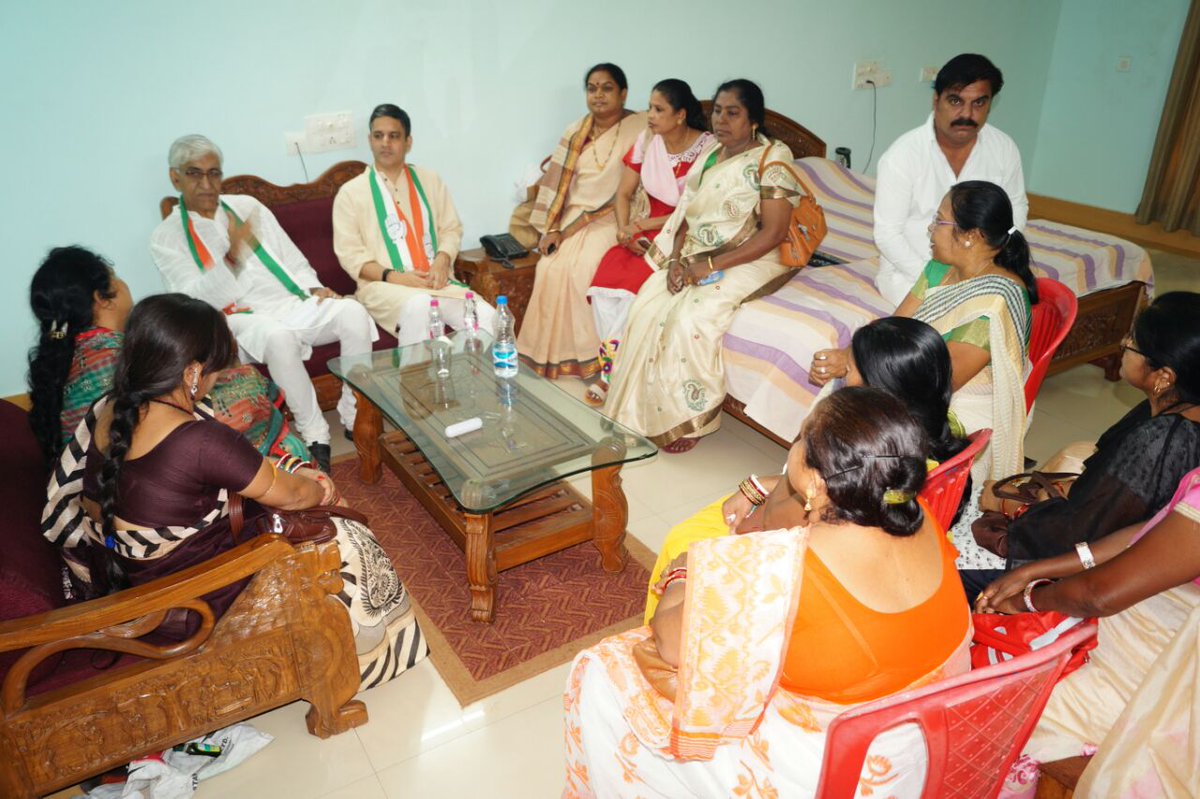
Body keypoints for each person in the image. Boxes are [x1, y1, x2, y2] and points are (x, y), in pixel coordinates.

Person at [563, 388, 971, 797]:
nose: (792, 448)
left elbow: (670, 641)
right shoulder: (922, 520)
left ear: (813, 479)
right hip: (924, 743)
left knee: (602, 669)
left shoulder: (782, 566)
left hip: (836, 768)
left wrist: (684, 572)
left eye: (799, 439)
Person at [42, 294, 427, 690]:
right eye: (216, 368)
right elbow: (292, 496)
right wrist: (321, 488)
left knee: (292, 496)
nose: (217, 378)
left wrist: (290, 477)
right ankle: (359, 662)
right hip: (187, 598)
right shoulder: (197, 439)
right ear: (192, 371)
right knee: (343, 531)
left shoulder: (112, 408)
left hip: (132, 571)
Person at [650, 316, 968, 618]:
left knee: (683, 539)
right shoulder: (934, 431)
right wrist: (759, 485)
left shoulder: (861, 451)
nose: (844, 376)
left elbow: (792, 520)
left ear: (879, 386)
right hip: (839, 542)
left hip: (799, 554)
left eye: (851, 369)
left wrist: (742, 530)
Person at [150, 134, 379, 472]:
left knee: (354, 313)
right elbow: (195, 303)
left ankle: (352, 412)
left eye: (214, 173)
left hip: (290, 301)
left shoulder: (247, 207)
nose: (207, 183)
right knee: (278, 337)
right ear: (175, 178)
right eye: (195, 173)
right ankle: (316, 435)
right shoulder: (167, 238)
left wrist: (314, 288)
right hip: (237, 317)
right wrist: (232, 255)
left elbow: (292, 258)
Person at [974, 466, 1200, 796]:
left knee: (993, 711)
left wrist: (1029, 600)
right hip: (1124, 638)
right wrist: (1040, 570)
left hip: (1144, 674)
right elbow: (1151, 533)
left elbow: (1099, 595)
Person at [604, 79, 802, 453]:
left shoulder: (773, 158)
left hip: (754, 254)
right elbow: (685, 216)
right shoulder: (711, 155)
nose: (722, 120)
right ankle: (644, 408)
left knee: (693, 316)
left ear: (754, 119)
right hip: (696, 254)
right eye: (717, 111)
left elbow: (774, 233)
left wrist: (709, 264)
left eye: (733, 113)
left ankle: (685, 420)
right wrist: (678, 261)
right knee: (650, 300)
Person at [959, 291, 1200, 594]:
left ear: (1163, 376)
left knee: (946, 552)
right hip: (1093, 543)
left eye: (1132, 343)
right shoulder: (1176, 409)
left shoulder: (1158, 441)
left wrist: (1007, 507)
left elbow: (1081, 535)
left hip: (1074, 569)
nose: (1122, 345)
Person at [813, 180, 1036, 482]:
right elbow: (893, 327)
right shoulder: (939, 269)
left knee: (858, 418)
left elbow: (942, 381)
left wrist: (864, 373)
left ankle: (848, 493)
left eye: (939, 221)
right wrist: (847, 357)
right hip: (920, 380)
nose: (930, 230)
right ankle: (822, 482)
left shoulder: (996, 301)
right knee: (838, 395)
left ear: (971, 235)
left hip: (963, 402)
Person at [27, 246, 311, 468]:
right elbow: (176, 408)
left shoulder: (68, 357)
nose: (124, 284)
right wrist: (243, 376)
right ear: (102, 298)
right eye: (114, 276)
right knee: (278, 433)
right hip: (141, 479)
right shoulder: (120, 354)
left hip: (102, 487)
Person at [583, 79, 714, 405]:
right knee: (604, 286)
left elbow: (693, 208)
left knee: (635, 294)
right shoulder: (648, 141)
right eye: (650, 108)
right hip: (644, 231)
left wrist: (641, 225)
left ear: (681, 115)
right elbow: (623, 193)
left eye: (658, 109)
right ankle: (614, 365)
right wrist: (625, 228)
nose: (650, 116)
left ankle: (611, 376)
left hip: (683, 232)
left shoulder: (708, 149)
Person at [517, 63, 647, 380]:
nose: (598, 95)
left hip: (615, 217)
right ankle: (552, 357)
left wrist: (568, 230)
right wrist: (553, 229)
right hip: (574, 217)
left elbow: (630, 189)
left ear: (623, 93)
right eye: (592, 88)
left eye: (607, 88)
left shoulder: (642, 128)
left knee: (581, 269)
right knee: (548, 267)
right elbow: (558, 185)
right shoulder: (576, 131)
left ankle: (592, 360)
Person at [332, 103, 497, 345]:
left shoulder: (429, 180)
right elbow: (351, 257)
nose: (385, 143)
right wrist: (396, 277)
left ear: (408, 142)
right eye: (378, 136)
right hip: (384, 287)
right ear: (370, 140)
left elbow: (451, 229)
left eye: (394, 136)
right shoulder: (351, 193)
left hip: (437, 282)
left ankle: (468, 380)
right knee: (420, 307)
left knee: (489, 319)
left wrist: (442, 261)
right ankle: (416, 381)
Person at [874, 53, 1027, 306]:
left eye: (979, 103)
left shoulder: (1003, 149)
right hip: (912, 275)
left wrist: (997, 262)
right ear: (936, 101)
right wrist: (938, 280)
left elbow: (1017, 206)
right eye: (955, 101)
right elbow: (887, 234)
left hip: (983, 273)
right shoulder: (902, 156)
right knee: (954, 320)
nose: (966, 113)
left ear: (990, 104)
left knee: (1014, 310)